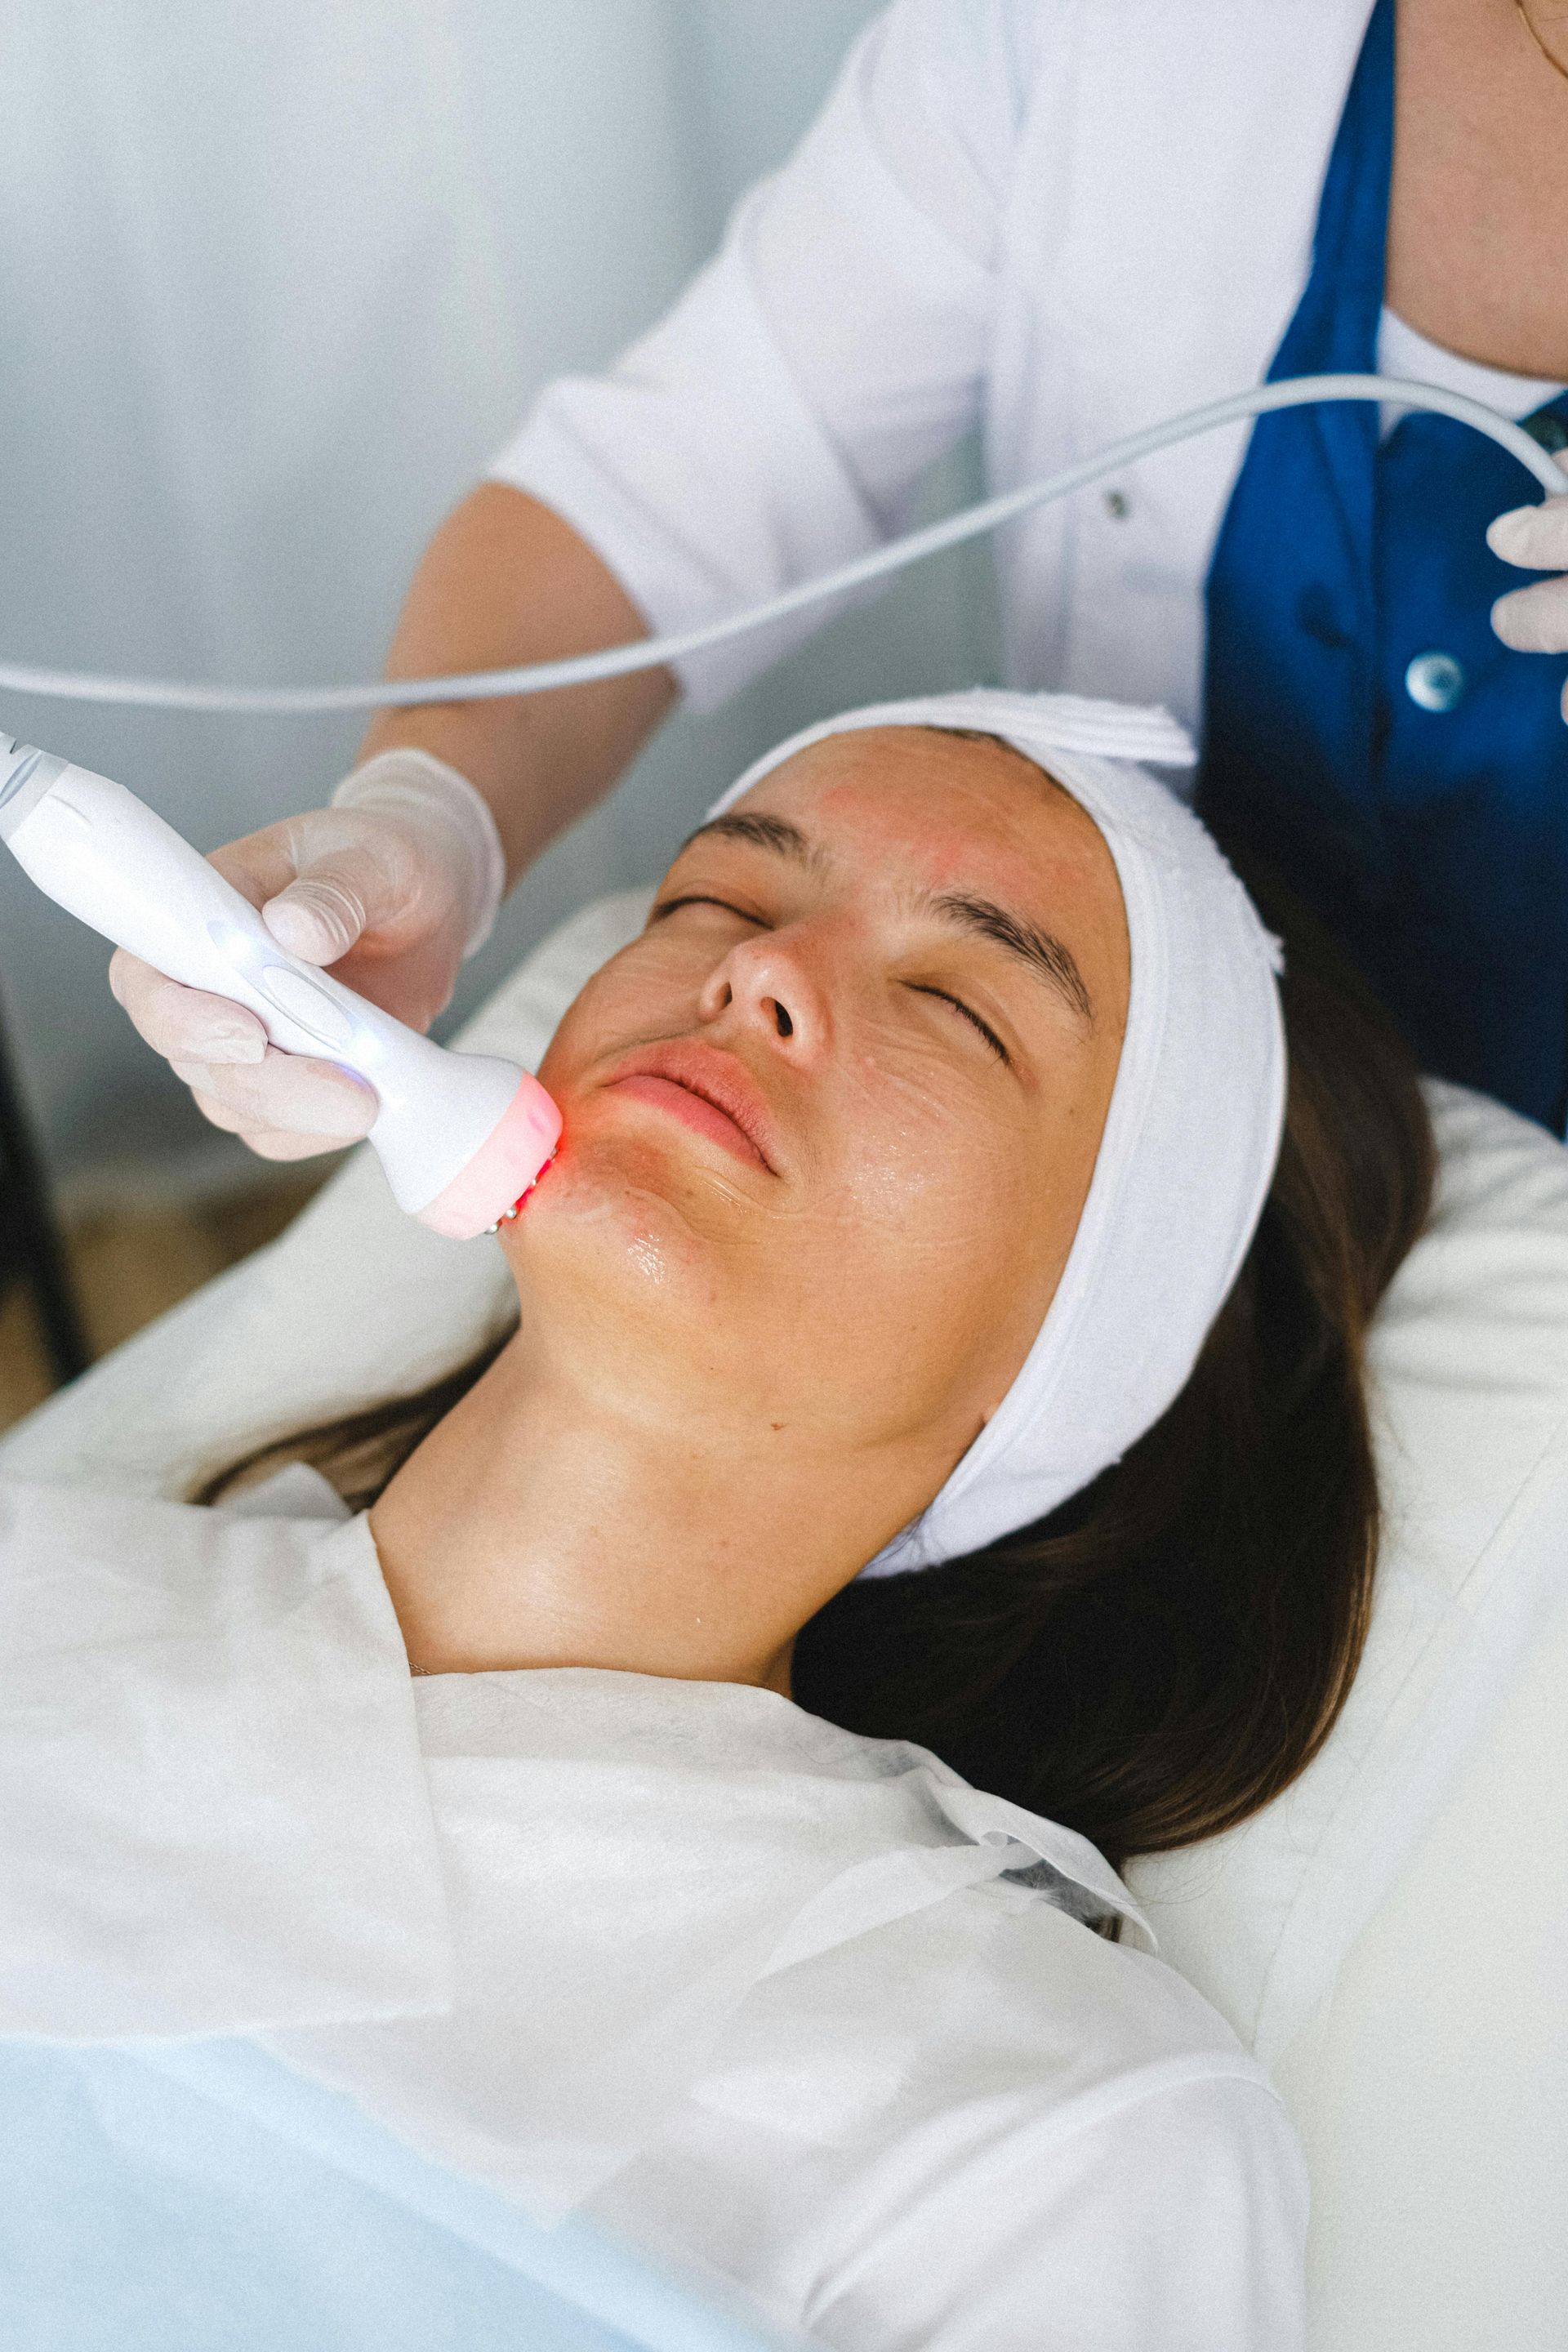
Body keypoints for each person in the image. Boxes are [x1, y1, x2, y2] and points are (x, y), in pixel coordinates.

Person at [7, 696, 1434, 2347]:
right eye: (716, 903)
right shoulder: (37, 1590)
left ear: (1082, 1346)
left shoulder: (1033, 2130)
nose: (753, 975)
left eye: (960, 1005)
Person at [110, 0, 1568, 1152]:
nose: (757, 987)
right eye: (723, 906)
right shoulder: (1123, 37)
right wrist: (431, 810)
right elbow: (672, 480)